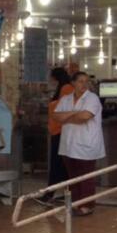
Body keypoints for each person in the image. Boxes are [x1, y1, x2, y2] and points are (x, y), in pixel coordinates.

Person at [52, 71, 106, 216]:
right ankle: (75, 204)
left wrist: (67, 115)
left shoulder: (92, 98)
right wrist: (73, 114)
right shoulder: (66, 98)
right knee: (72, 177)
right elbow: (56, 116)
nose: (84, 84)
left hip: (86, 144)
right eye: (81, 81)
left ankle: (87, 205)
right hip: (69, 143)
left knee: (85, 176)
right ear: (73, 83)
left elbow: (85, 116)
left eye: (86, 81)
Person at [42, 67, 74, 203]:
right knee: (61, 165)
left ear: (55, 78)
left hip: (62, 132)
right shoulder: (64, 89)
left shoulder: (66, 89)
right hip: (59, 131)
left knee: (58, 164)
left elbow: (63, 109)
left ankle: (50, 194)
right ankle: (67, 192)